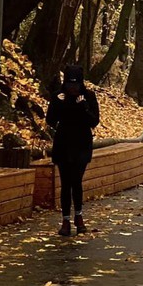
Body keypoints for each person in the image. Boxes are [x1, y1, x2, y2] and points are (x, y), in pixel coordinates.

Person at [46, 64, 100, 235]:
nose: (73, 88)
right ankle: (65, 220)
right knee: (65, 183)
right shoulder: (59, 97)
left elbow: (94, 121)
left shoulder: (88, 97)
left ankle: (79, 216)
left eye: (75, 85)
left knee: (76, 180)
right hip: (63, 143)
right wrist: (58, 104)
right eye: (70, 84)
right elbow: (51, 120)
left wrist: (83, 107)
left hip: (82, 143)